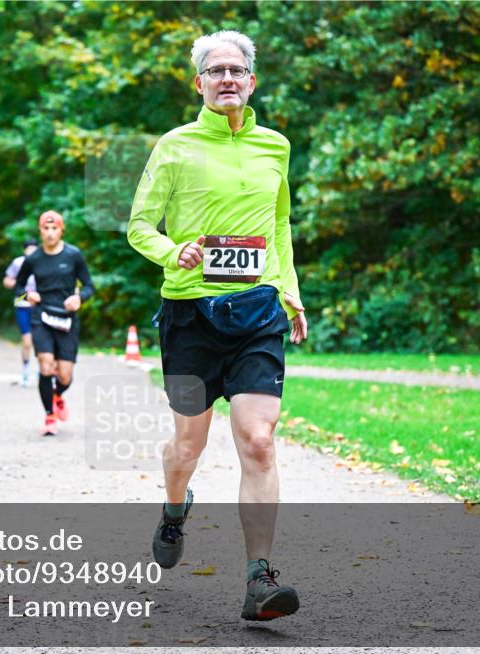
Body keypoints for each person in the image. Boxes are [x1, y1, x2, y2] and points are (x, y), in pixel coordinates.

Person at [126, 30, 308, 622]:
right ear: (198, 82)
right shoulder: (174, 147)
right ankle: (175, 507)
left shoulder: (275, 146)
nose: (227, 79)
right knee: (188, 444)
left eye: (237, 70)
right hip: (187, 318)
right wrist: (171, 250)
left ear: (252, 81)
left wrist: (291, 293)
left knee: (258, 440)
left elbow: (279, 228)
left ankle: (260, 578)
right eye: (215, 70)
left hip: (257, 312)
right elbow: (139, 226)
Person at [14, 212, 94, 436]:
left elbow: (89, 286)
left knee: (65, 376)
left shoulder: (74, 255)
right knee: (46, 366)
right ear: (40, 231)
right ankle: (49, 415)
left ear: (61, 230)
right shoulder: (34, 259)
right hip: (42, 317)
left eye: (54, 229)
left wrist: (79, 298)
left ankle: (58, 395)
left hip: (67, 319)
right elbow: (17, 290)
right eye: (45, 229)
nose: (50, 233)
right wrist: (27, 296)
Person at [3, 238, 39, 387]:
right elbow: (7, 281)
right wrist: (20, 287)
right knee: (27, 341)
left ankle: (42, 372)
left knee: (40, 341)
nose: (31, 251)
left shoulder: (43, 262)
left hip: (39, 304)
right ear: (24, 250)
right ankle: (25, 372)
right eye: (29, 248)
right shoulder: (18, 262)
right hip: (22, 302)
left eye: (34, 248)